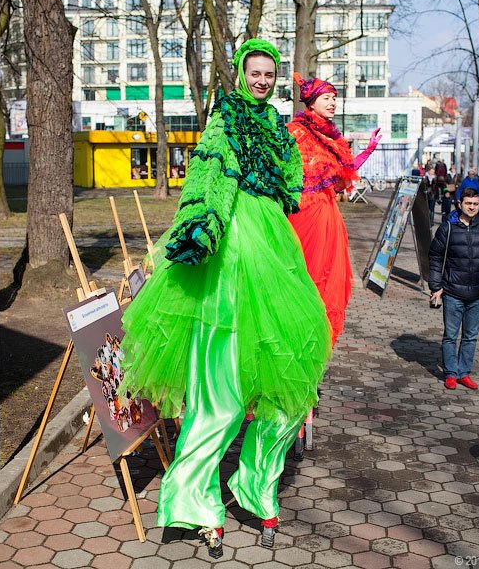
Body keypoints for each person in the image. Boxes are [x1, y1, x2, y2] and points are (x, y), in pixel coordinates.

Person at [118, 39, 331, 558]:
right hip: (227, 256)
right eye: (254, 72)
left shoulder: (279, 128)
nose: (261, 80)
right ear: (240, 73)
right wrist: (198, 232)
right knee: (219, 398)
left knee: (285, 395)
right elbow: (208, 182)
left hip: (274, 254)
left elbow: (290, 186)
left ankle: (256, 487)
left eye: (268, 74)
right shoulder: (224, 121)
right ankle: (196, 502)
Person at [287, 71, 381, 345]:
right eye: (327, 98)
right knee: (305, 279)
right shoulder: (296, 132)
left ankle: (315, 348)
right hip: (304, 216)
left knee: (327, 284)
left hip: (328, 217)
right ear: (311, 101)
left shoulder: (331, 137)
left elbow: (343, 176)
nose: (332, 103)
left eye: (334, 98)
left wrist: (368, 150)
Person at [428, 188, 479, 390]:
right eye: (468, 203)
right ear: (460, 204)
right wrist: (436, 286)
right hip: (452, 292)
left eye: (475, 204)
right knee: (450, 335)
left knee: (470, 336)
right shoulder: (447, 229)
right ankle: (450, 373)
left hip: (477, 294)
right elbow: (435, 258)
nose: (472, 207)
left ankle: (463, 372)